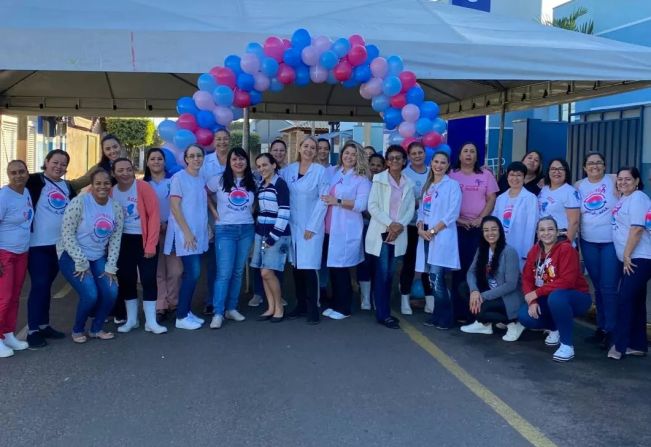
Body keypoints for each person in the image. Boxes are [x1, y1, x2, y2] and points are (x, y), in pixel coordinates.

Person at [57, 168, 123, 343]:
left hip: (97, 256)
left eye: (106, 183)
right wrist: (80, 261)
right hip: (72, 256)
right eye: (98, 183)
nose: (103, 186)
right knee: (91, 294)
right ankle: (78, 329)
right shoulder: (80, 202)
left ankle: (96, 329)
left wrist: (111, 266)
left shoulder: (115, 207)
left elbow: (116, 239)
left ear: (111, 185)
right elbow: (67, 233)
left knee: (111, 291)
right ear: (92, 185)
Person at [518, 217, 591, 362]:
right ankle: (554, 328)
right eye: (542, 230)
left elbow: (567, 281)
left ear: (557, 232)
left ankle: (567, 345)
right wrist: (532, 300)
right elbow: (526, 277)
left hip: (575, 297)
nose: (546, 233)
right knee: (525, 316)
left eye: (550, 229)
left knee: (557, 298)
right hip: (548, 296)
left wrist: (536, 293)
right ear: (537, 233)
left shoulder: (566, 249)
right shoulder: (535, 250)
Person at [25, 150, 77, 348]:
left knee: (46, 286)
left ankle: (44, 324)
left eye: (63, 164)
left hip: (60, 246)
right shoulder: (33, 181)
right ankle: (32, 330)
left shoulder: (67, 187)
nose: (59, 167)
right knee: (39, 285)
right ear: (46, 162)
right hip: (37, 245)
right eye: (55, 162)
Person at [111, 158, 166, 334]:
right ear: (114, 173)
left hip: (144, 239)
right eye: (120, 170)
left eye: (128, 169)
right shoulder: (112, 192)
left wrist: (151, 245)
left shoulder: (143, 187)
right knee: (127, 280)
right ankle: (132, 320)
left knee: (149, 279)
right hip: (123, 242)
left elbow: (154, 216)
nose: (125, 173)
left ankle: (151, 321)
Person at [206, 147, 256, 329]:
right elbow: (204, 191)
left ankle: (231, 308)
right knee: (224, 272)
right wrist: (213, 211)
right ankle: (218, 312)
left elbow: (257, 199)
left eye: (242, 159)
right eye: (234, 159)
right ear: (229, 161)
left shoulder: (253, 180)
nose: (238, 162)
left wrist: (252, 210)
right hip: (225, 230)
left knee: (237, 272)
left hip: (246, 229)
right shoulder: (219, 179)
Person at [321, 142, 371, 320]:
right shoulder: (335, 172)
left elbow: (361, 205)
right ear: (341, 154)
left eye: (353, 154)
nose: (349, 156)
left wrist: (338, 201)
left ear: (359, 158)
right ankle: (335, 303)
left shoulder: (361, 179)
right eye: (346, 153)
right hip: (329, 228)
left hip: (345, 229)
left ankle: (344, 308)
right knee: (333, 268)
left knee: (341, 269)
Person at [449, 142, 499, 323]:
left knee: (477, 270)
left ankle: (477, 313)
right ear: (460, 155)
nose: (469, 154)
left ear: (477, 156)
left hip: (479, 229)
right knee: (458, 270)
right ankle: (459, 312)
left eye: (472, 151)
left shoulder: (485, 175)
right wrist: (458, 219)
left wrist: (481, 219)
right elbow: (446, 203)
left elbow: (491, 198)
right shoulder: (451, 175)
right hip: (457, 228)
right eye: (465, 151)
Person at [281, 136, 328, 324]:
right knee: (296, 268)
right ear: (299, 148)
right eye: (305, 146)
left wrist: (312, 227)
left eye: (313, 148)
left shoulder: (320, 171)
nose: (309, 150)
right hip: (293, 225)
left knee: (310, 269)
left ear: (316, 152)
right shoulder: (288, 170)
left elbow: (323, 200)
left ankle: (313, 307)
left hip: (311, 227)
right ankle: (300, 305)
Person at [366, 145, 415, 329]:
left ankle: (384, 310)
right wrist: (390, 224)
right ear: (387, 161)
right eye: (391, 158)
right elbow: (372, 206)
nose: (395, 161)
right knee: (383, 275)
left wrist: (399, 225)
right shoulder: (378, 180)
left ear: (404, 161)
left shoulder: (408, 183)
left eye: (398, 158)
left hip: (398, 233)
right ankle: (383, 314)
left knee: (390, 274)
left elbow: (410, 208)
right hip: (383, 233)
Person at [575, 152, 620, 346]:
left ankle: (613, 330)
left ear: (604, 165)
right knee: (599, 287)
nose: (595, 166)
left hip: (611, 241)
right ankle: (601, 328)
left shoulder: (614, 179)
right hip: (589, 241)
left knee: (609, 287)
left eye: (599, 163)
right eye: (590, 163)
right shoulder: (578, 186)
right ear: (584, 167)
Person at [164, 144, 210, 330]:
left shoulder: (200, 179)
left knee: (193, 274)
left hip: (199, 233)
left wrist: (206, 226)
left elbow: (200, 206)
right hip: (186, 235)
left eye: (199, 155)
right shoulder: (178, 178)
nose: (196, 159)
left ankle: (187, 311)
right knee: (193, 273)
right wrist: (187, 232)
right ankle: (181, 316)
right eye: (192, 156)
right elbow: (175, 207)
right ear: (186, 159)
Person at [607, 167, 651, 359]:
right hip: (631, 257)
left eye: (627, 179)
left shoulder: (638, 198)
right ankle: (638, 344)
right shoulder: (624, 198)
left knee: (624, 300)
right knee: (636, 301)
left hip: (638, 258)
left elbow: (637, 228)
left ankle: (619, 345)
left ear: (636, 181)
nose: (623, 182)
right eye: (620, 179)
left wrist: (626, 255)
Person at [416, 151, 462, 330]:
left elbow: (452, 213)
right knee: (430, 278)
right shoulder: (428, 185)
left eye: (443, 162)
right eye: (436, 162)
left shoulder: (452, 185)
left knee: (437, 279)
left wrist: (433, 231)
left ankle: (446, 317)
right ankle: (436, 315)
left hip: (440, 236)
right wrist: (420, 228)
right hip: (426, 235)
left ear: (448, 165)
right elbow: (421, 210)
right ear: (431, 163)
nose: (439, 165)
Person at [460, 216, 525, 341]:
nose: (490, 233)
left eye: (494, 229)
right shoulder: (483, 249)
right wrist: (474, 291)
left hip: (508, 297)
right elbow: (470, 273)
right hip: (492, 293)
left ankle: (514, 323)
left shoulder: (509, 252)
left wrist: (482, 296)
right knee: (464, 288)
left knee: (482, 308)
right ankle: (485, 325)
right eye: (486, 230)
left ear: (500, 231)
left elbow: (510, 285)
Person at [251, 153, 291, 322]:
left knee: (268, 272)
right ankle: (271, 307)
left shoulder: (280, 184)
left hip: (277, 234)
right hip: (261, 233)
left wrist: (273, 236)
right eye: (259, 166)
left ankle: (279, 308)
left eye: (265, 165)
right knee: (263, 272)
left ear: (274, 165)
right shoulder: (261, 184)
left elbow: (284, 212)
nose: (262, 169)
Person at [0, 160, 33, 358]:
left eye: (21, 171)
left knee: (14, 297)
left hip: (22, 253)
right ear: (8, 174)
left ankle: (8, 333)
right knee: (3, 298)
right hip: (5, 254)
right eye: (13, 172)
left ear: (27, 173)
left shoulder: (26, 192)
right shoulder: (4, 196)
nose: (18, 175)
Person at [145, 148, 182, 322]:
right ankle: (161, 306)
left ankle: (174, 303)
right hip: (151, 234)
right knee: (158, 272)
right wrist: (154, 225)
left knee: (175, 271)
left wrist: (169, 223)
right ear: (147, 162)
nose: (156, 162)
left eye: (160, 159)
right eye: (153, 159)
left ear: (164, 162)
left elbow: (180, 204)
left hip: (173, 231)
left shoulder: (174, 181)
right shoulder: (143, 184)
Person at [199, 129, 232, 316]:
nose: (222, 142)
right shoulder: (206, 162)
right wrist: (213, 211)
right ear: (213, 142)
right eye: (218, 139)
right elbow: (203, 190)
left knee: (227, 262)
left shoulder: (235, 159)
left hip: (232, 218)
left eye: (225, 139)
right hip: (213, 219)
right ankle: (211, 300)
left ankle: (226, 300)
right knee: (213, 263)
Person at [399, 142, 434, 315]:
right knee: (409, 263)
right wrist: (420, 203)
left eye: (420, 152)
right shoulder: (404, 174)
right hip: (411, 226)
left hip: (430, 227)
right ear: (409, 155)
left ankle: (430, 299)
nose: (417, 156)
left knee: (428, 263)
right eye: (414, 153)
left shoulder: (433, 172)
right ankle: (404, 299)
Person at [493, 161, 539, 268]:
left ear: (524, 177)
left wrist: (526, 252)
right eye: (512, 174)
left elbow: (531, 227)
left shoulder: (530, 198)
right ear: (507, 176)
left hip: (520, 245)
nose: (515, 178)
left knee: (518, 276)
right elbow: (494, 222)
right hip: (501, 244)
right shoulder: (501, 198)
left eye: (519, 175)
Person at [356, 153, 386, 310]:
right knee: (364, 261)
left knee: (378, 263)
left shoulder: (385, 184)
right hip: (364, 227)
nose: (375, 167)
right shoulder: (362, 182)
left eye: (378, 165)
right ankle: (365, 297)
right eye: (372, 164)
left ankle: (376, 296)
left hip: (381, 228)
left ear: (383, 167)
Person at [538, 158, 581, 243]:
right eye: (553, 169)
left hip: (561, 239)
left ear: (566, 172)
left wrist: (567, 244)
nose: (556, 172)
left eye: (560, 169)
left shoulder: (570, 192)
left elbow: (574, 222)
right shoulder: (544, 189)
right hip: (544, 238)